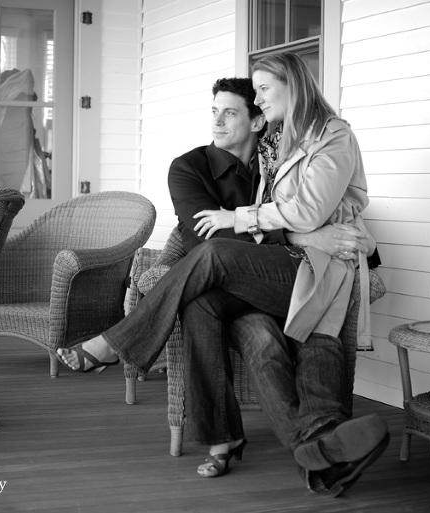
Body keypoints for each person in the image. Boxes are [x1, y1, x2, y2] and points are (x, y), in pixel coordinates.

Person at [57, 53, 388, 496]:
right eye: (215, 111)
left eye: (237, 108)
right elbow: (206, 237)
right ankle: (299, 451)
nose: (217, 121)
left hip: (297, 272)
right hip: (254, 274)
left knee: (221, 269)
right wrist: (303, 235)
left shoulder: (303, 142)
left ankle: (118, 344)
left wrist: (249, 221)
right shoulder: (201, 164)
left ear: (260, 117)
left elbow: (312, 210)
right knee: (218, 309)